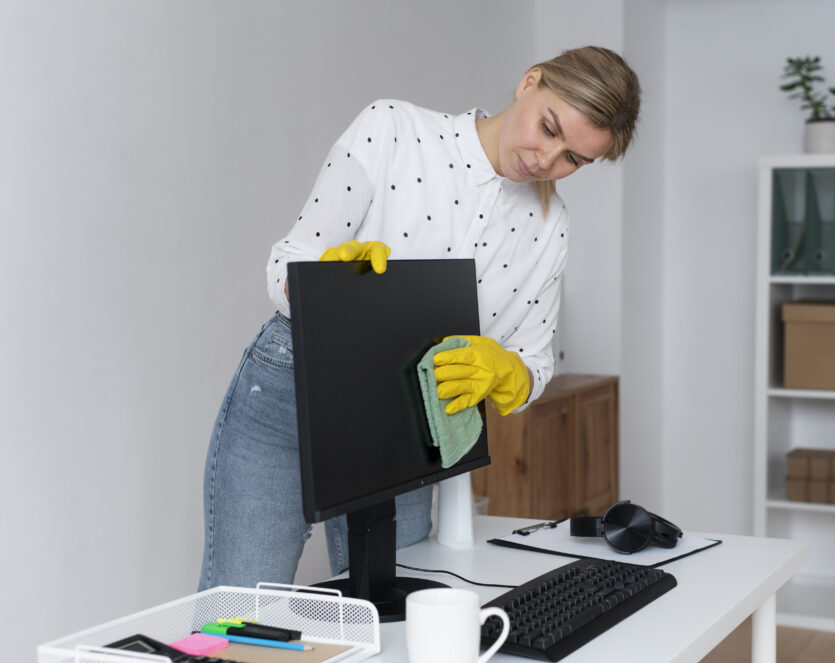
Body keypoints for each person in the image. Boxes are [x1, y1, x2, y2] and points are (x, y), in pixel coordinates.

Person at [198, 45, 641, 590]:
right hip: (293, 390)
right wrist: (324, 283)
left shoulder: (550, 225)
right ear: (530, 82)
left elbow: (535, 363)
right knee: (238, 612)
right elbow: (286, 263)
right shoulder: (394, 131)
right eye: (549, 128)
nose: (546, 161)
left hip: (406, 427)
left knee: (397, 616)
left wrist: (503, 370)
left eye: (574, 158)